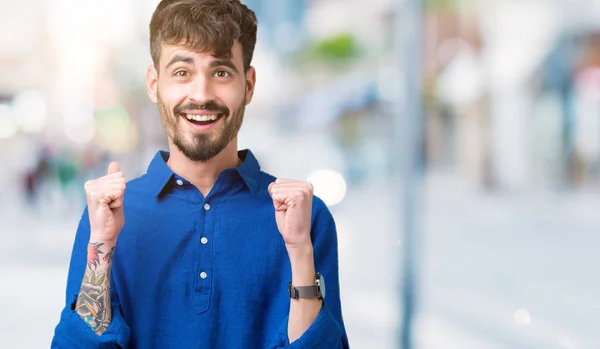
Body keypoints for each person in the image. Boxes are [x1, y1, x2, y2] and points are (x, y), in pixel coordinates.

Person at [51, 0, 349, 348]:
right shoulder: (105, 217)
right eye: (182, 72)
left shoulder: (307, 218)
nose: (201, 94)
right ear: (153, 83)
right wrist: (101, 245)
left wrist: (299, 250)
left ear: (249, 85)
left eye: (221, 72)